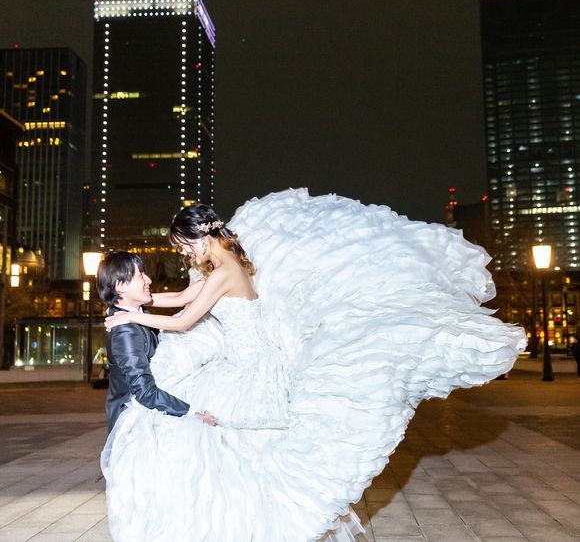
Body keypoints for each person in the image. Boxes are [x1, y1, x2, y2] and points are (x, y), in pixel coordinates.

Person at [102, 188, 527, 542]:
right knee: (235, 448)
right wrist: (134, 305)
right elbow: (179, 298)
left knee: (228, 447)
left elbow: (182, 320)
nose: (183, 254)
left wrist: (130, 316)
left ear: (200, 238)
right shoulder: (223, 266)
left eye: (183, 246)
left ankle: (249, 522)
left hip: (249, 367)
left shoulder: (222, 271)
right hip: (243, 359)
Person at [96, 250, 216, 431]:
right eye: (140, 275)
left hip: (156, 405)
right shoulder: (125, 331)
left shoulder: (136, 314)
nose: (149, 280)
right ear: (120, 286)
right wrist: (192, 413)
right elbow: (144, 392)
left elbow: (180, 297)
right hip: (136, 422)